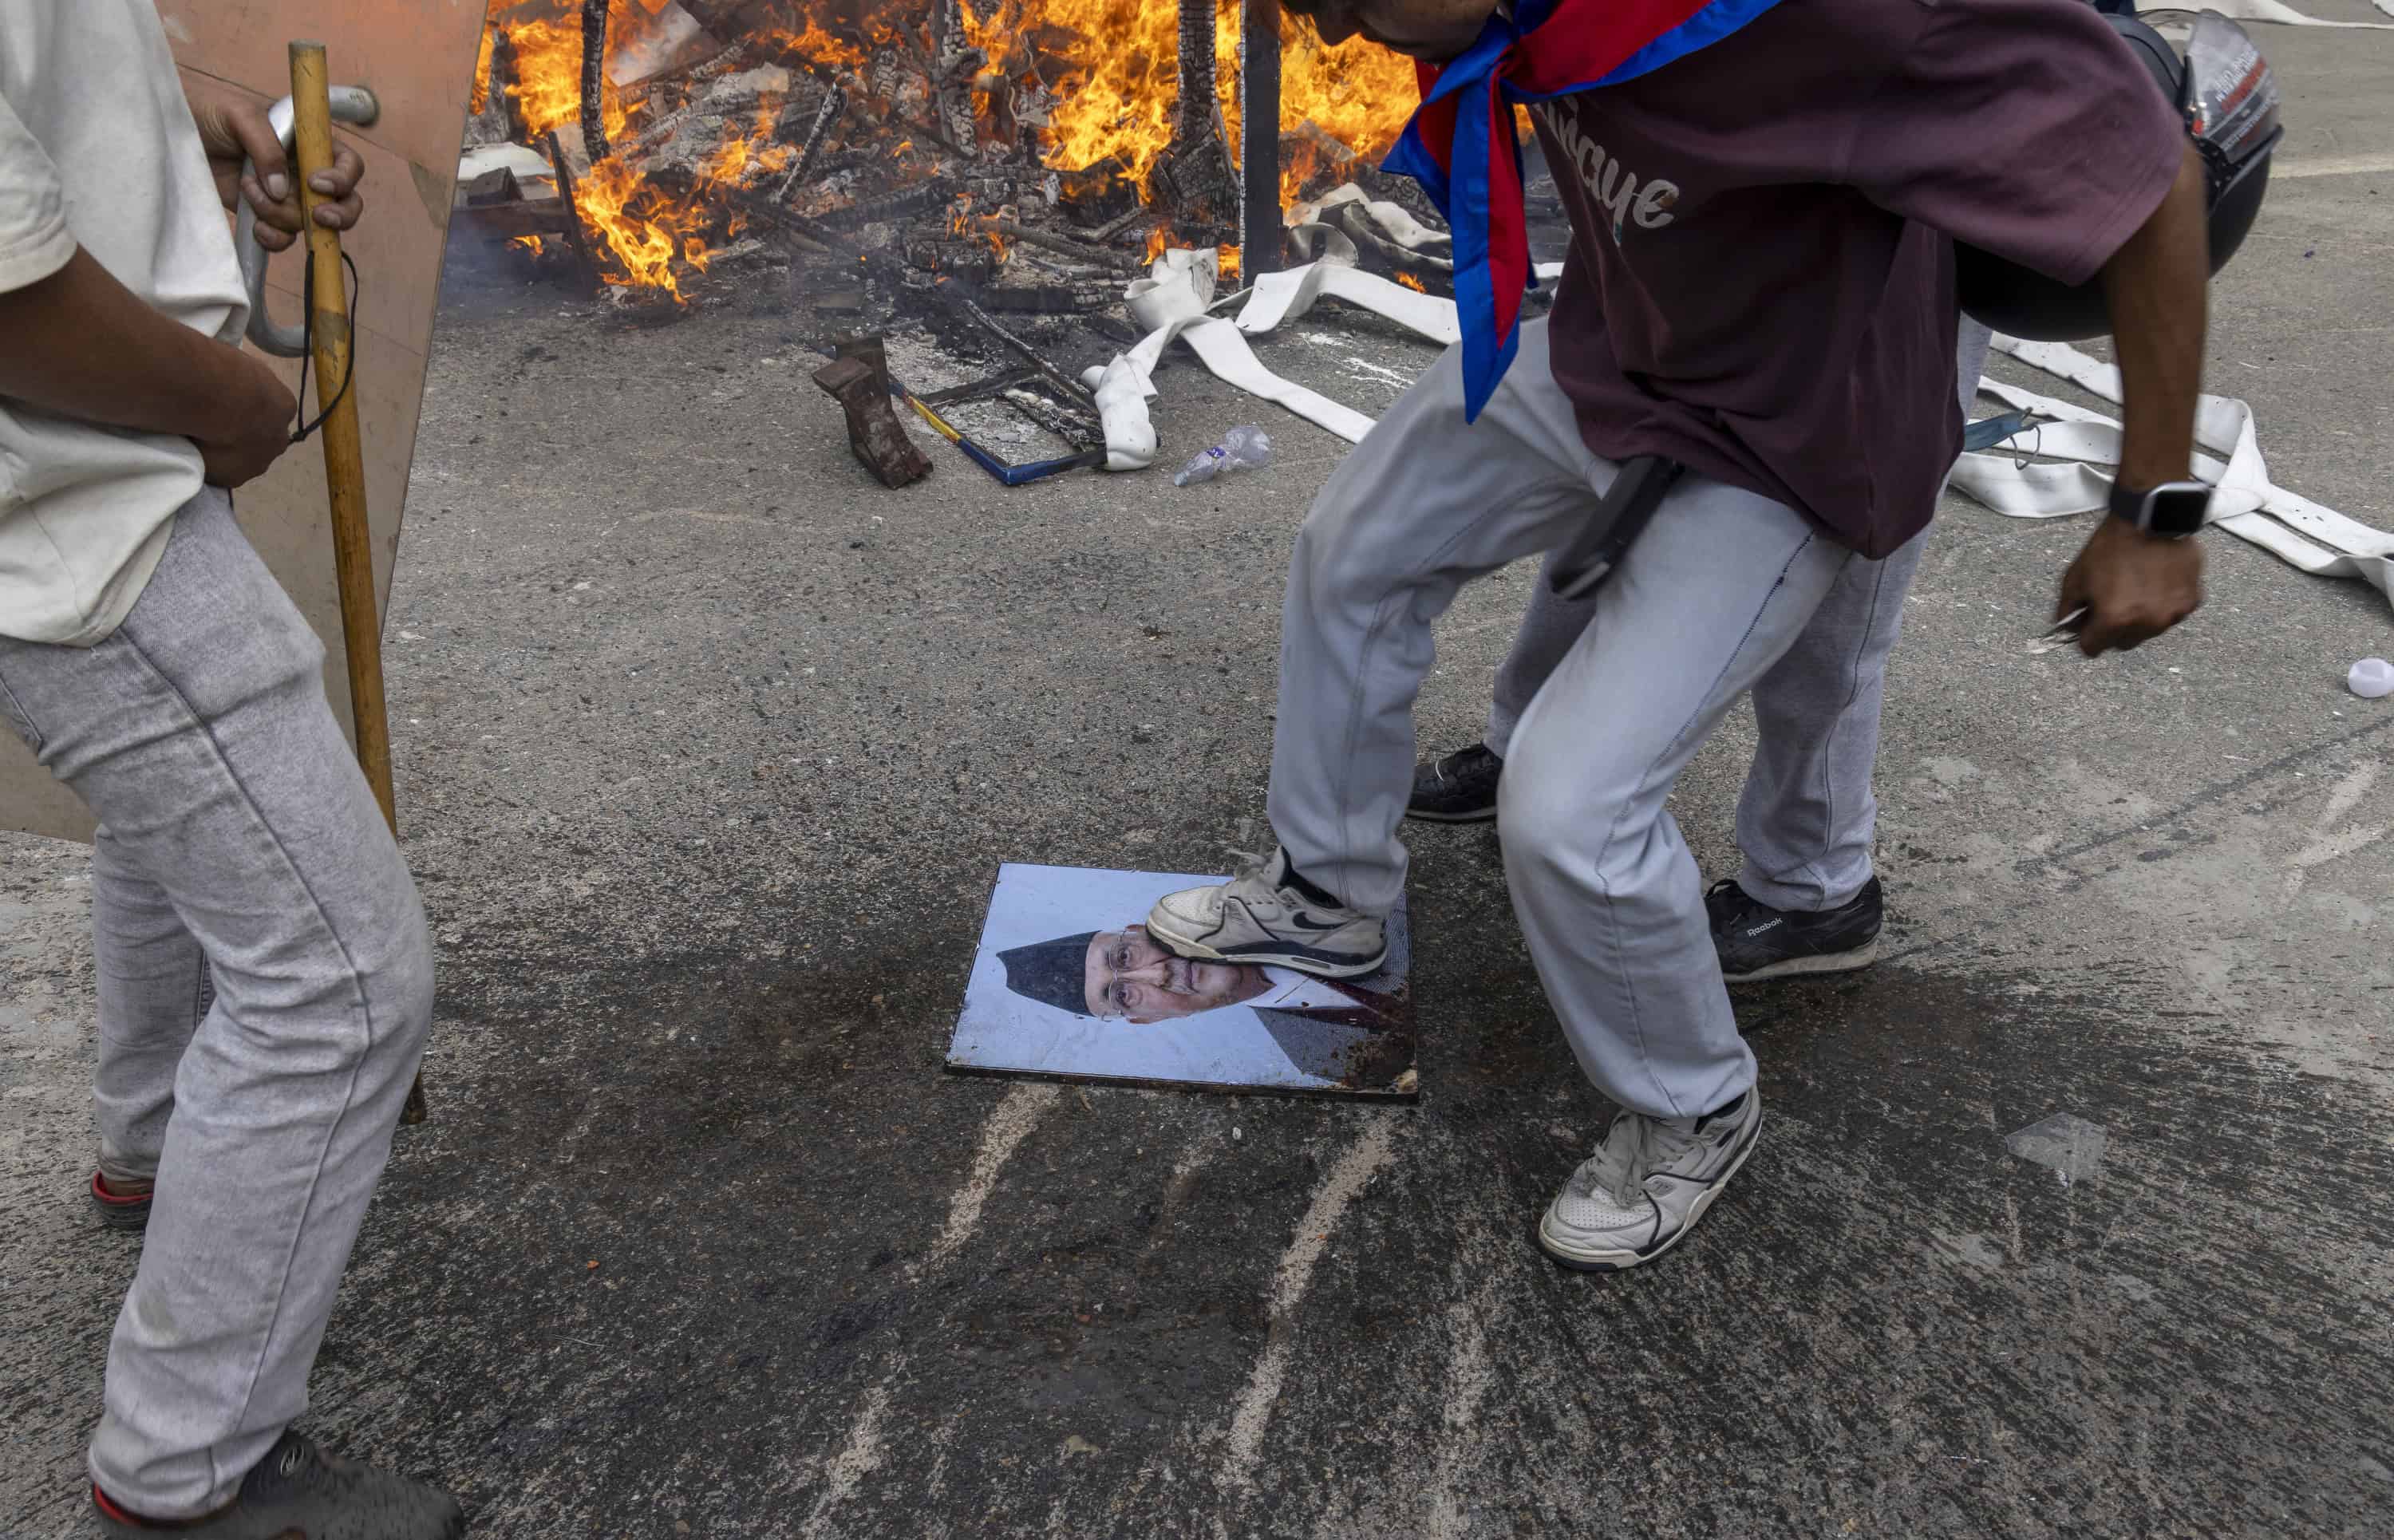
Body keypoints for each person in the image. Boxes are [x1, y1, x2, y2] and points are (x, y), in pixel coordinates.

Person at [1145, 0, 2208, 1273]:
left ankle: (1692, 1101)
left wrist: (2155, 510)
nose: (1332, 24)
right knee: (1353, 554)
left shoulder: (1842, 16)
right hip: (1622, 356)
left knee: (1571, 811)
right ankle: (1326, 898)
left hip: (1781, 441)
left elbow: (2151, 176)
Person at [0, 3, 464, 1534]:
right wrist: (228, 401)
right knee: (343, 981)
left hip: (90, 470)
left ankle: (153, 1144)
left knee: (185, 815)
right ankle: (184, 1472)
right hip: (71, 495)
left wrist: (162, 129)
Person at [1406, 318, 1996, 984]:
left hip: (1893, 303)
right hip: (1717, 278)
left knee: (1834, 600)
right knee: (1615, 496)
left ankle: (1816, 885)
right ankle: (1525, 748)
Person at [999, 922, 1413, 1088]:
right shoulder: (1318, 1061)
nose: (1156, 975)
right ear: (1147, 1020)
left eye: (1124, 956)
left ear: (1142, 929)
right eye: (1122, 995)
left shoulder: (1319, 902)